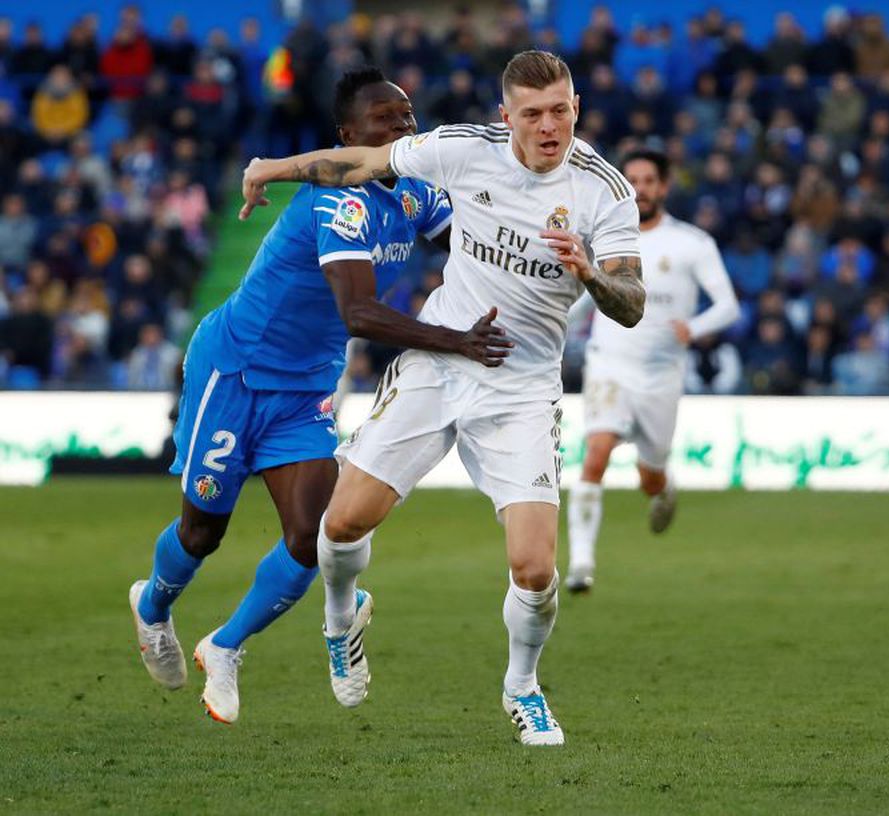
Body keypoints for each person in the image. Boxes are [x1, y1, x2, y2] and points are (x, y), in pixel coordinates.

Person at [239, 50, 644, 746]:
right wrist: (272, 169)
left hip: (520, 388)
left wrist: (590, 274)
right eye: (533, 113)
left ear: (575, 106)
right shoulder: (463, 149)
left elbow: (632, 302)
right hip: (437, 362)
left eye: (561, 110)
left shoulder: (604, 191)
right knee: (338, 528)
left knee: (536, 567)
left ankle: (523, 685)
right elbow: (360, 164)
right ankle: (342, 619)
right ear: (505, 116)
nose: (549, 126)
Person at [128, 68, 511, 724]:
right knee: (202, 532)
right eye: (385, 121)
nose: (402, 129)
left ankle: (225, 646)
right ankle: (152, 607)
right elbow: (360, 313)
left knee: (313, 534)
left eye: (408, 117)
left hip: (306, 386)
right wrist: (456, 339)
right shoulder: (339, 202)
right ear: (348, 136)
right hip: (237, 371)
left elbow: (472, 243)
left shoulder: (416, 192)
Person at [566, 149, 738, 593]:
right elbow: (586, 298)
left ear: (663, 187)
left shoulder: (692, 243)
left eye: (648, 181)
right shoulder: (607, 238)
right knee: (596, 454)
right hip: (610, 364)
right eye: (633, 180)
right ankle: (581, 564)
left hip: (662, 375)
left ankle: (662, 488)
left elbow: (728, 306)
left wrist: (693, 327)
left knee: (649, 475)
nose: (640, 188)